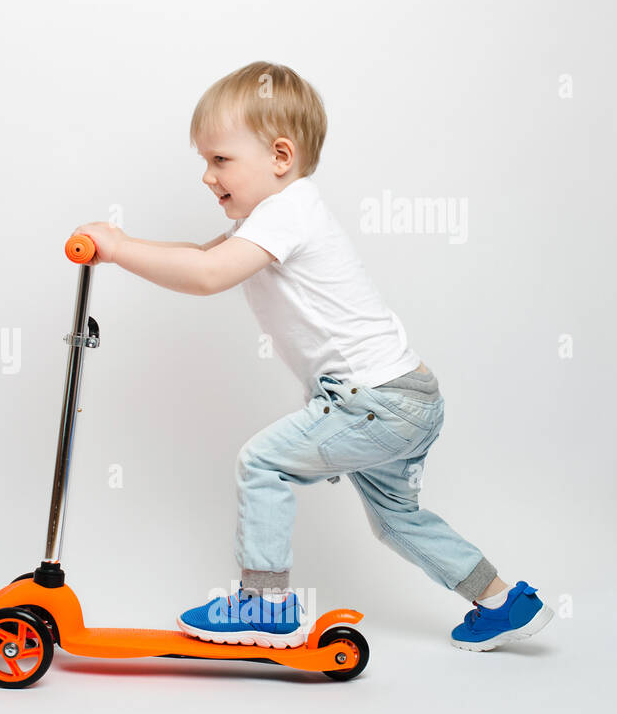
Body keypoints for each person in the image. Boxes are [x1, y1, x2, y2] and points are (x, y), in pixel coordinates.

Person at [71, 61, 552, 652]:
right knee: (398, 520)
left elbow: (206, 276)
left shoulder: (288, 212)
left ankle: (266, 604)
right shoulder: (274, 217)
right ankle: (504, 601)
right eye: (203, 161)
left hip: (375, 402)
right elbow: (199, 253)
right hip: (404, 398)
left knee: (262, 463)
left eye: (220, 160)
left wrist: (119, 250)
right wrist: (120, 248)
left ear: (280, 155)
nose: (205, 176)